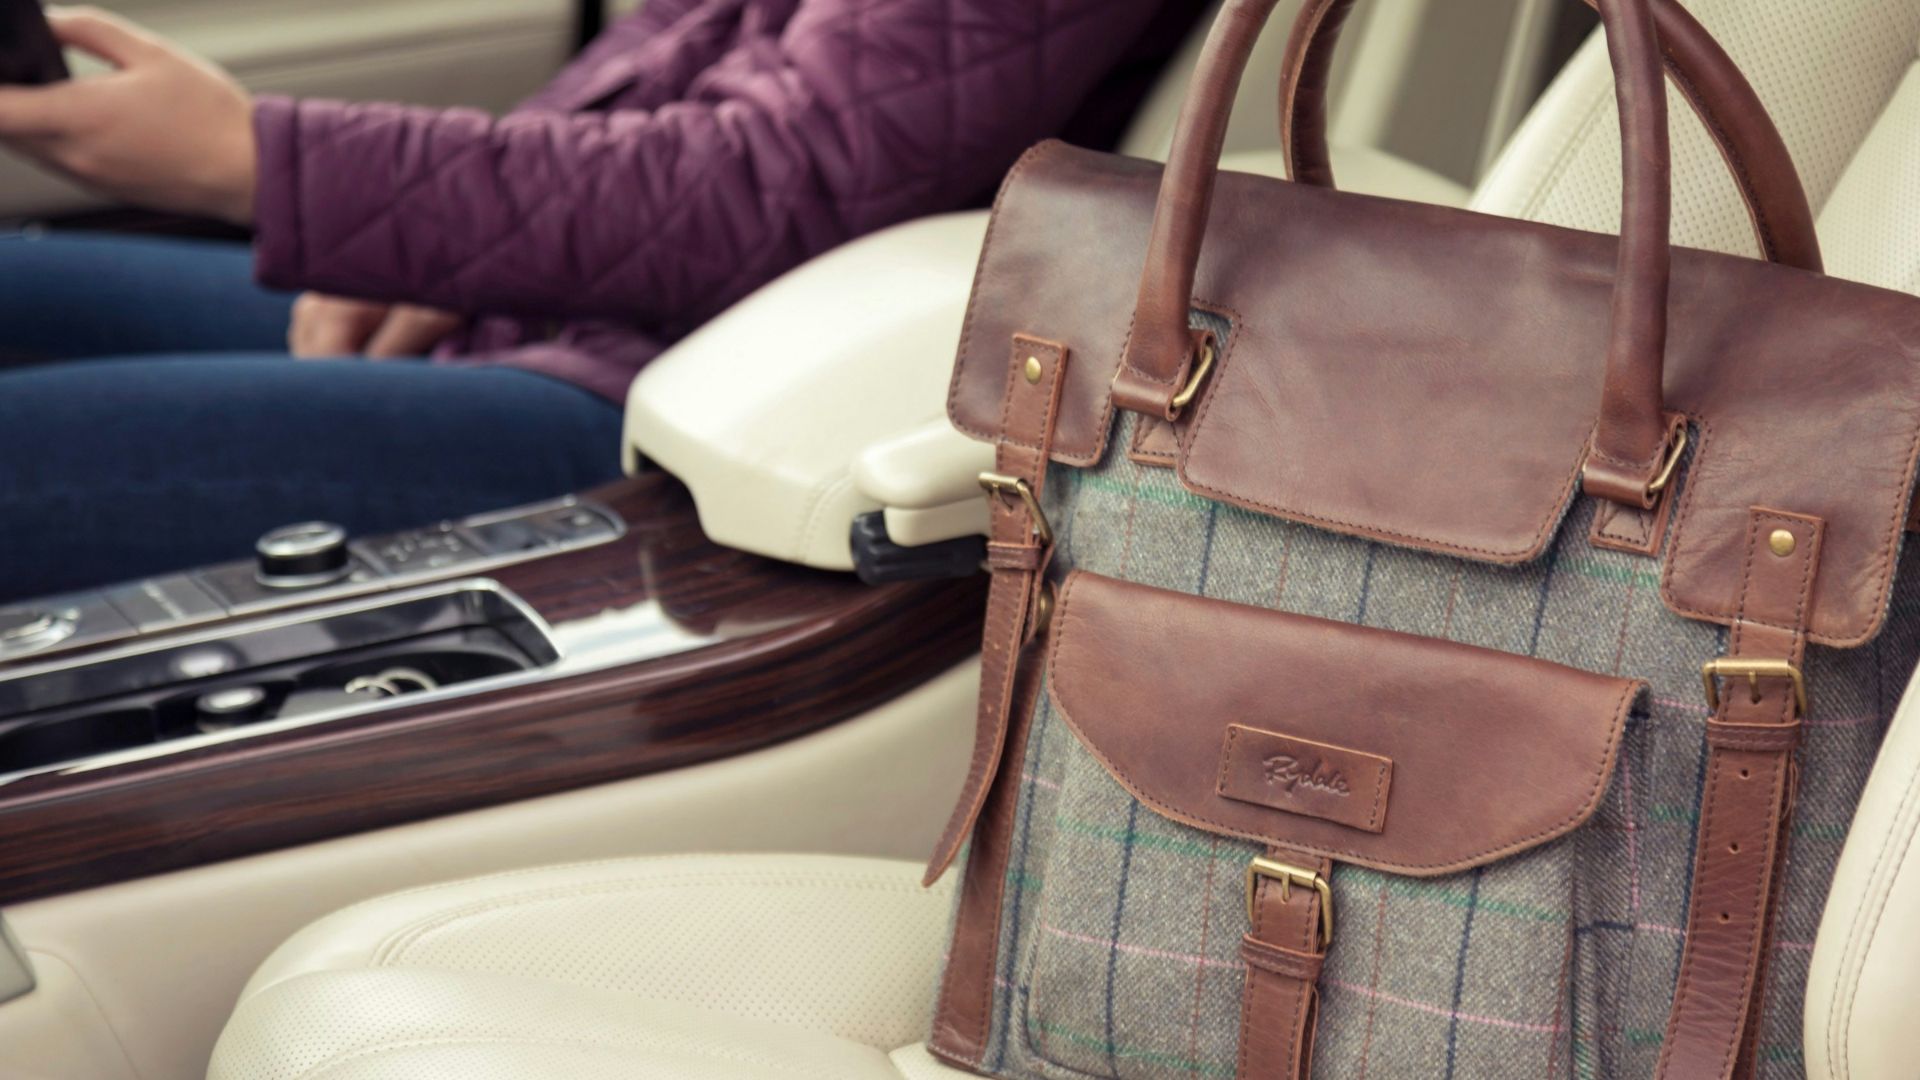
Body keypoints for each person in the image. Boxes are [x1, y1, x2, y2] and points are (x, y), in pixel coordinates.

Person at [0, 0, 1204, 600]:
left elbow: (779, 183)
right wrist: (434, 250)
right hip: (574, 306)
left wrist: (253, 158)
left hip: (689, 397)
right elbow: (672, 73)